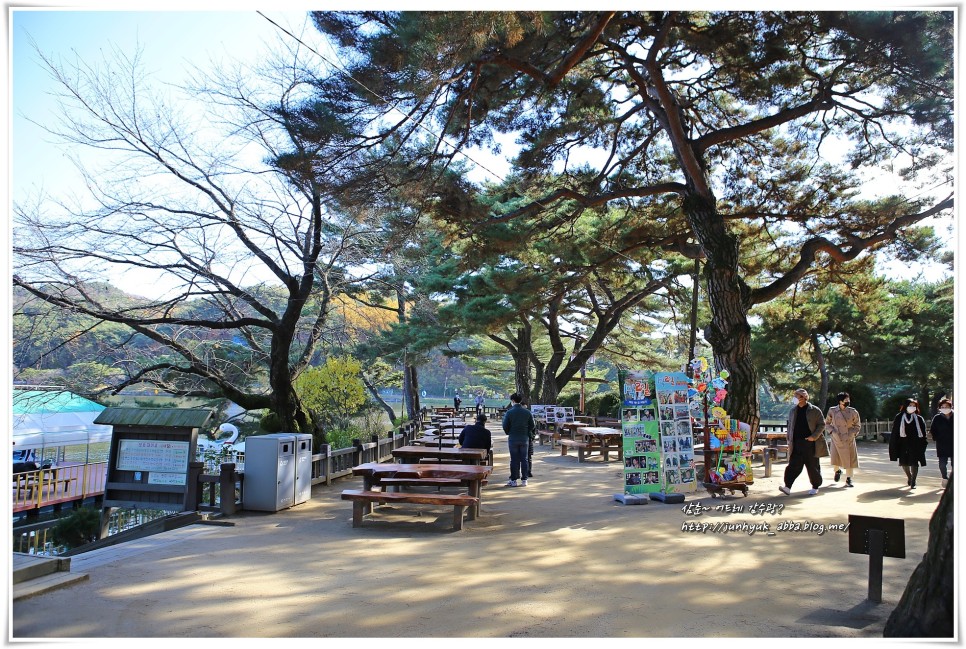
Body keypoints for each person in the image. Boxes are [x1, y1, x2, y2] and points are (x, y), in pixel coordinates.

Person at [779, 388, 826, 496]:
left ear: (803, 397)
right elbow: (790, 426)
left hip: (810, 443)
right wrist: (789, 439)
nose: (795, 397)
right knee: (793, 465)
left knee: (812, 466)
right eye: (794, 395)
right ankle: (787, 487)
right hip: (796, 443)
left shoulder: (814, 410)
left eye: (797, 395)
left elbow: (822, 424)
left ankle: (815, 486)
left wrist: (813, 437)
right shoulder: (793, 411)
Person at [890, 398, 928, 489]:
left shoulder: (919, 418)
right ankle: (909, 477)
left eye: (914, 406)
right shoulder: (899, 417)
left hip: (915, 443)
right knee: (904, 463)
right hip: (903, 443)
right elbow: (895, 431)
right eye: (910, 405)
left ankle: (913, 481)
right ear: (905, 406)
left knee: (914, 463)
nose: (912, 407)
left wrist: (923, 443)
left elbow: (923, 432)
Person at [825, 391, 861, 487]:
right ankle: (837, 471)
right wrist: (832, 432)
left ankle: (849, 478)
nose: (848, 401)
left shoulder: (853, 411)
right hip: (836, 438)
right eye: (846, 399)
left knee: (849, 460)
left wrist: (852, 434)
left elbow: (857, 425)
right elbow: (827, 423)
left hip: (848, 438)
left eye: (848, 399)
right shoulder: (832, 410)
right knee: (835, 458)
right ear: (840, 401)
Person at [502, 392, 535, 487]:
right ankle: (524, 479)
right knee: (524, 459)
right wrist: (526, 431)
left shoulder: (509, 412)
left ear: (512, 401)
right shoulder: (527, 412)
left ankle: (513, 480)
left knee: (514, 459)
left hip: (513, 438)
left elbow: (505, 426)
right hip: (524, 438)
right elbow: (532, 425)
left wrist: (509, 432)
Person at [930, 398, 953, 488]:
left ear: (951, 407)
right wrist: (936, 437)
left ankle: (953, 480)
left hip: (955, 444)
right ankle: (944, 477)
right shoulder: (937, 418)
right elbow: (933, 430)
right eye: (942, 407)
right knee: (942, 464)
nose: (944, 408)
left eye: (946, 407)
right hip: (942, 444)